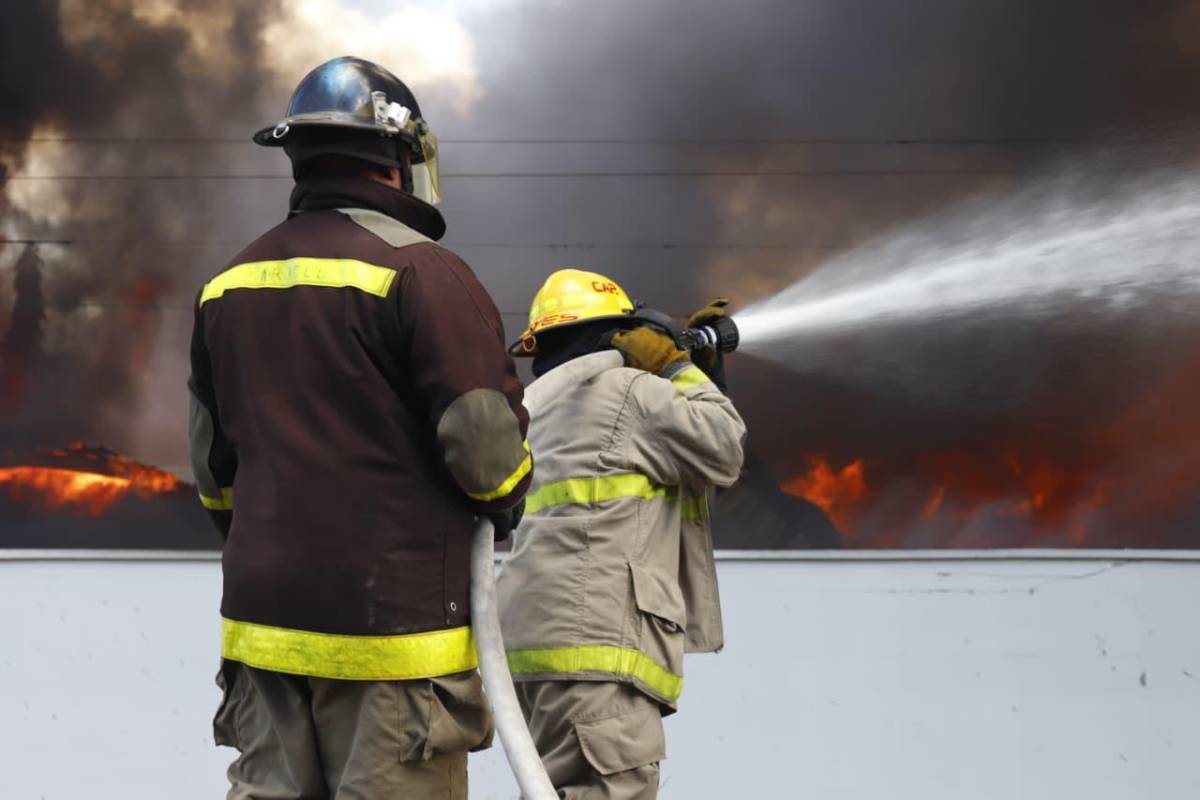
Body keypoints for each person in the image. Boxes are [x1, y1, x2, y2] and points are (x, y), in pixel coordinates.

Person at [187, 56, 531, 799]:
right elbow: (483, 445)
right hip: (392, 643)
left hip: (263, 631)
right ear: (400, 161)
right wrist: (508, 498)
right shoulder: (422, 273)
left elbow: (212, 473)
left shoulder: (228, 284)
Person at [497, 268, 746, 798]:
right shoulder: (627, 389)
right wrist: (679, 367)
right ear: (619, 334)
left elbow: (691, 468)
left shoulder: (535, 409)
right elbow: (723, 446)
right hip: (598, 650)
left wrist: (695, 376)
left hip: (537, 648)